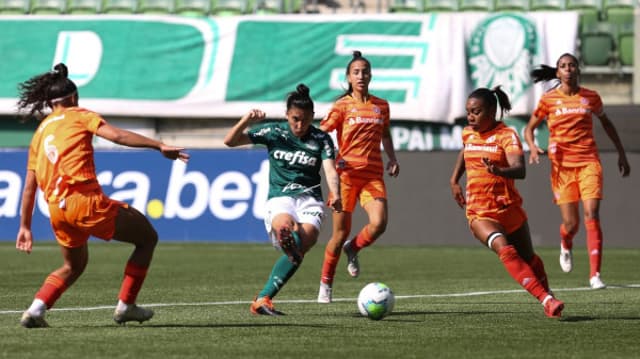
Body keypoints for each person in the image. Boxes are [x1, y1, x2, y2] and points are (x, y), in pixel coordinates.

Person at [15, 63, 190, 328]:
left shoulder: (40, 133)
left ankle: (36, 310)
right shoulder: (80, 115)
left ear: (50, 104)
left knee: (73, 266)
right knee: (147, 238)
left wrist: (25, 226)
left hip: (56, 210)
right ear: (73, 98)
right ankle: (126, 305)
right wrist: (159, 145)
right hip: (84, 203)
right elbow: (117, 135)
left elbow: (30, 185)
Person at [224, 84, 341, 316]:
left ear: (312, 117)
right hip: (281, 197)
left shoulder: (321, 138)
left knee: (303, 245)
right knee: (288, 228)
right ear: (287, 114)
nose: (300, 125)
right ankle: (266, 294)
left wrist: (335, 193)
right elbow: (230, 141)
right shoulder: (274, 132)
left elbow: (330, 170)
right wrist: (246, 119)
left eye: (306, 120)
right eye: (295, 119)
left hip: (310, 199)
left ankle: (262, 300)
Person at [450, 86, 564, 318]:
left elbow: (520, 170)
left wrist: (498, 170)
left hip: (508, 207)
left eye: (476, 112)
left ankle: (546, 292)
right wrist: (454, 180)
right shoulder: (468, 133)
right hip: (479, 213)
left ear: (492, 111)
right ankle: (547, 300)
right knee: (505, 250)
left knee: (529, 259)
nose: (471, 116)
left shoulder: (506, 135)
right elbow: (465, 150)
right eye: (468, 112)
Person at [524, 53, 630, 289]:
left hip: (589, 162)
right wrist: (532, 147)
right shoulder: (549, 100)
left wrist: (621, 153)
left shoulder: (590, 97)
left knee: (592, 214)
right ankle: (565, 242)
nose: (568, 69)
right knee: (571, 224)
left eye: (572, 65)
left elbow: (607, 124)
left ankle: (595, 275)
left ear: (578, 70)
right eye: (563, 66)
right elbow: (529, 129)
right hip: (562, 168)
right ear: (558, 72)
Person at [317, 51, 400, 304]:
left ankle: (354, 248)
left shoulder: (381, 105)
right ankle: (325, 285)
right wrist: (323, 155)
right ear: (349, 77)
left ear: (371, 75)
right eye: (356, 72)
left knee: (379, 224)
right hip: (346, 177)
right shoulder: (342, 106)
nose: (361, 75)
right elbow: (323, 131)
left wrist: (393, 158)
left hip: (373, 176)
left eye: (365, 71)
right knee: (339, 234)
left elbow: (385, 134)